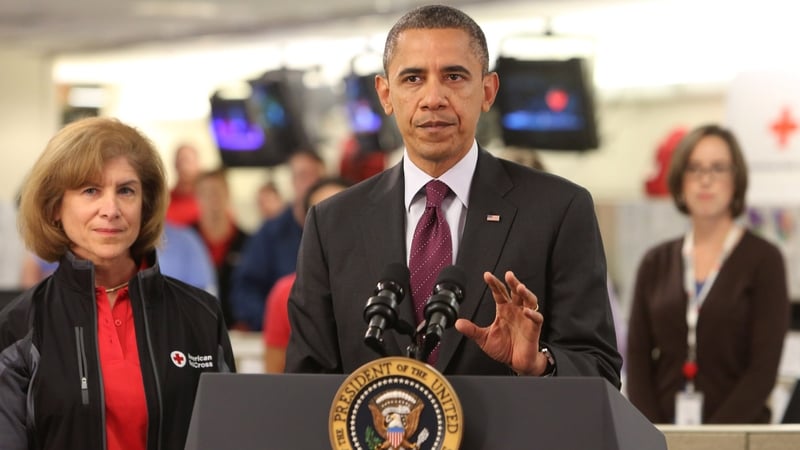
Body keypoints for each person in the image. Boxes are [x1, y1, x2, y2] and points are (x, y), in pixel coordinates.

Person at [285, 5, 621, 385]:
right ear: (385, 94)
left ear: (488, 91)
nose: (433, 98)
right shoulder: (332, 224)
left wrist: (540, 365)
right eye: (413, 78)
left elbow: (600, 369)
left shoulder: (559, 210)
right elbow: (305, 382)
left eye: (454, 76)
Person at [0, 117, 236, 449]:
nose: (110, 209)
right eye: (90, 191)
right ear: (55, 207)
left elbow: (226, 436)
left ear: (145, 205)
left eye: (126, 190)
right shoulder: (19, 326)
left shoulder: (201, 316)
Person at [626, 124, 789, 424]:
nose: (705, 180)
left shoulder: (764, 260)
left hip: (740, 434)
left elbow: (763, 369)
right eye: (694, 168)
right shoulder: (655, 262)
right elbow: (637, 359)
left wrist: (712, 440)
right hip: (662, 433)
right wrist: (654, 432)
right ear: (680, 179)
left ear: (737, 178)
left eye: (718, 168)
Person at [263, 176, 352, 373]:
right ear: (306, 222)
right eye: (323, 215)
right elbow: (275, 377)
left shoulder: (385, 285)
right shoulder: (284, 293)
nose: (335, 225)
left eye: (343, 213)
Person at [230, 149, 326, 331]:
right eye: (303, 176)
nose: (311, 183)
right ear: (291, 182)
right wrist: (275, 323)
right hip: (282, 333)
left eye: (317, 176)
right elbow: (246, 289)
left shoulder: (340, 229)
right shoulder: (271, 233)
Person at [192, 168, 249, 329]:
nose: (213, 199)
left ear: (228, 194)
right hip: (195, 326)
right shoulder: (187, 241)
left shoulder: (246, 242)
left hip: (238, 330)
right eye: (206, 193)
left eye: (217, 192)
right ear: (197, 197)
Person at [165, 142, 201, 226]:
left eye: (188, 161)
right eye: (181, 161)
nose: (184, 166)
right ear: (175, 165)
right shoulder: (165, 199)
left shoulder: (207, 200)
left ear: (197, 165)